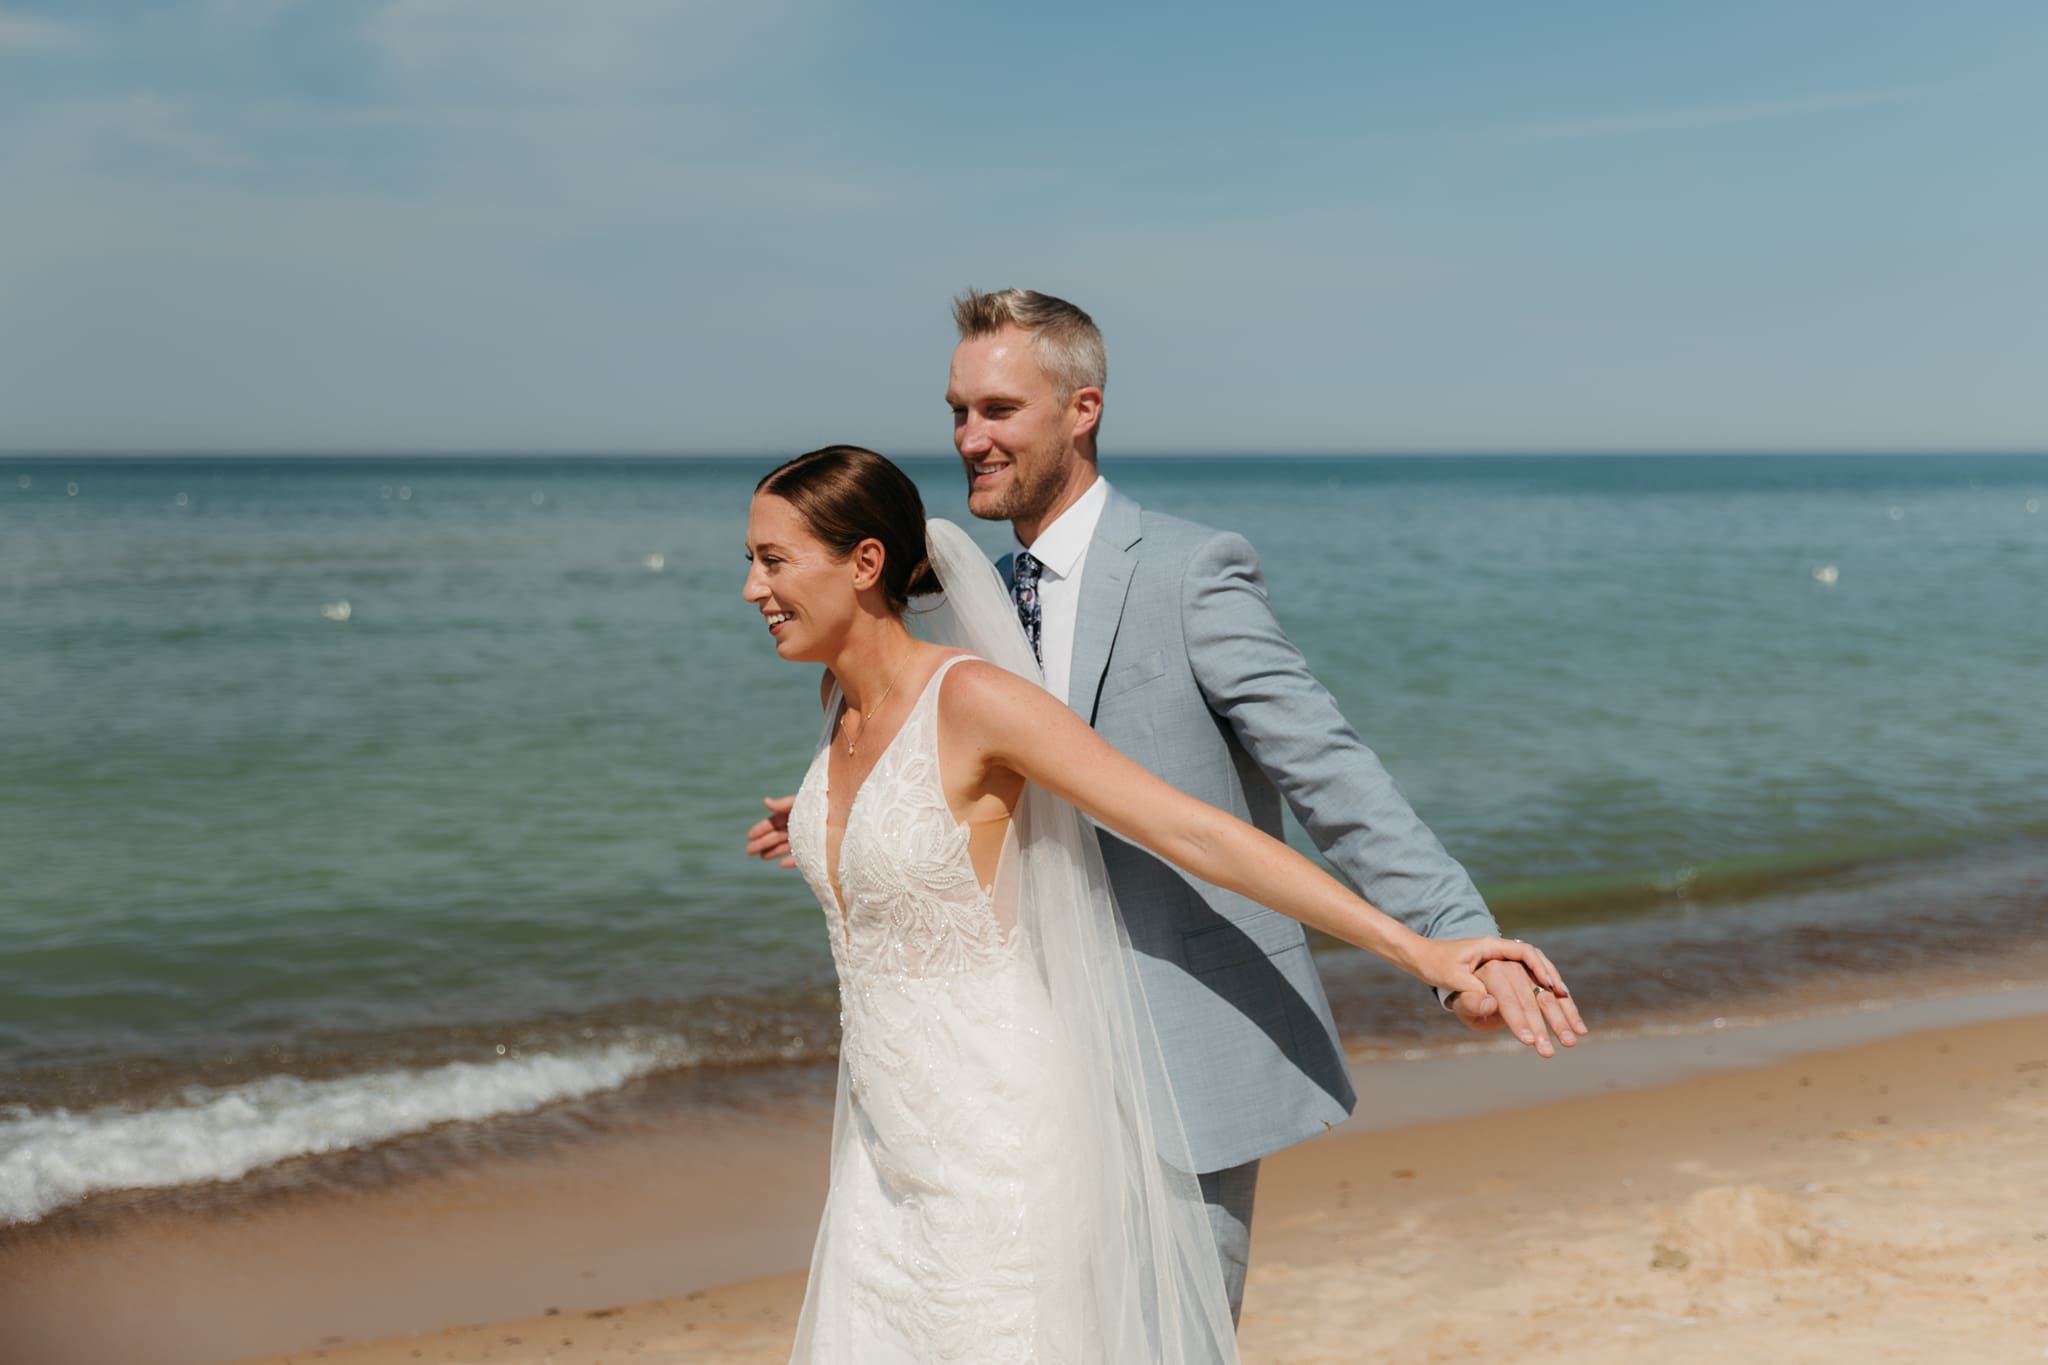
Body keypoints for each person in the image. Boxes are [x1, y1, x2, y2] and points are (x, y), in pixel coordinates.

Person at [743, 444, 1575, 1363]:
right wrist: (834, 828)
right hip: (883, 1148)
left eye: (773, 560)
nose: (752, 588)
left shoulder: (976, 697)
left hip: (1000, 1146)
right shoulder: (839, 706)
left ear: (864, 564)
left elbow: (1196, 833)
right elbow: (930, 825)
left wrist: (1428, 950)